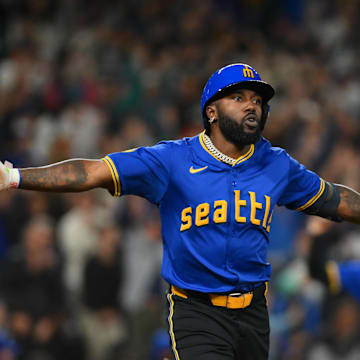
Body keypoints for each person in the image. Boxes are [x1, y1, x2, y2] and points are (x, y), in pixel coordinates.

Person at [1, 63, 360, 360]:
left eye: (257, 100)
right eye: (238, 98)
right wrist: (15, 176)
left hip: (254, 312)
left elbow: (336, 200)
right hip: (196, 311)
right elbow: (91, 172)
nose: (252, 106)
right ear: (212, 112)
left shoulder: (276, 164)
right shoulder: (171, 160)